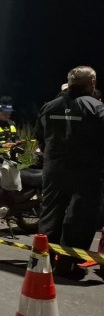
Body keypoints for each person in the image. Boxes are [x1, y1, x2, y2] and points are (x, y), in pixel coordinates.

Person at [35, 66, 104, 280]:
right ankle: (68, 265)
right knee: (80, 218)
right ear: (92, 83)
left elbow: (40, 137)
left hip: (54, 170)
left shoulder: (49, 106)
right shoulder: (96, 108)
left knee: (51, 213)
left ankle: (40, 261)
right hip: (86, 172)